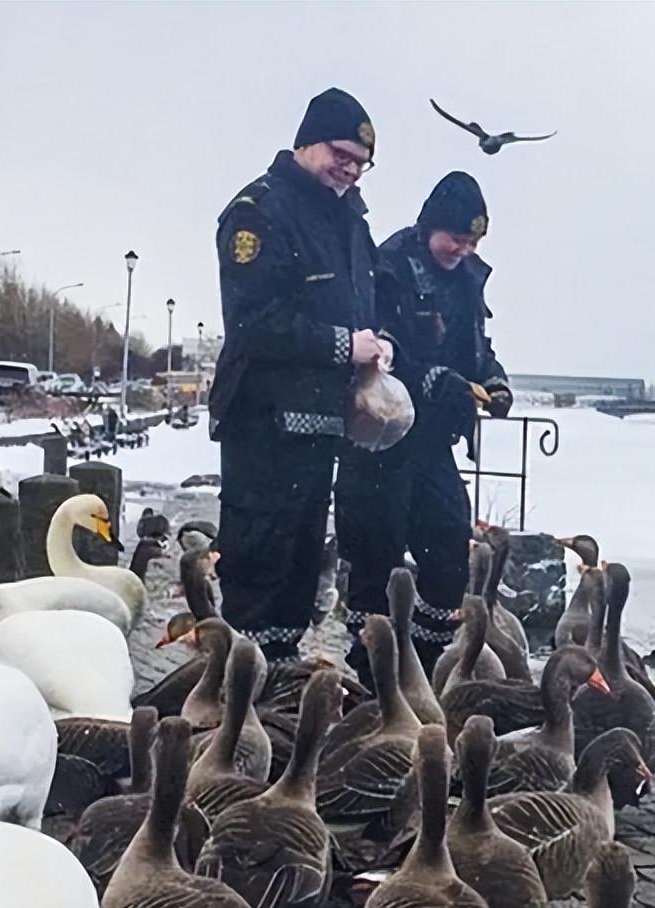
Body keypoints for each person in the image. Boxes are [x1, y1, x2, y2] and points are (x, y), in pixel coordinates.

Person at [209, 87, 391, 663]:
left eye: (361, 163)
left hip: (319, 422)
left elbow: (366, 306)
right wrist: (345, 346)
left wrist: (379, 344)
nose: (351, 169)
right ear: (307, 142)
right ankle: (238, 693)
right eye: (342, 153)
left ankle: (279, 687)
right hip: (265, 419)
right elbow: (254, 323)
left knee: (301, 561)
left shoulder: (349, 223)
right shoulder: (259, 212)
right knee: (260, 554)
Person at [336, 171, 512, 682]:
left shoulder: (466, 277)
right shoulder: (390, 266)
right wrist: (434, 379)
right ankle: (371, 671)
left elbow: (472, 348)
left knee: (447, 547)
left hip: (434, 441)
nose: (463, 247)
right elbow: (382, 346)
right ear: (431, 225)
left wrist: (491, 379)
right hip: (382, 436)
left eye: (474, 240)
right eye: (457, 237)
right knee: (377, 552)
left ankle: (425, 668)